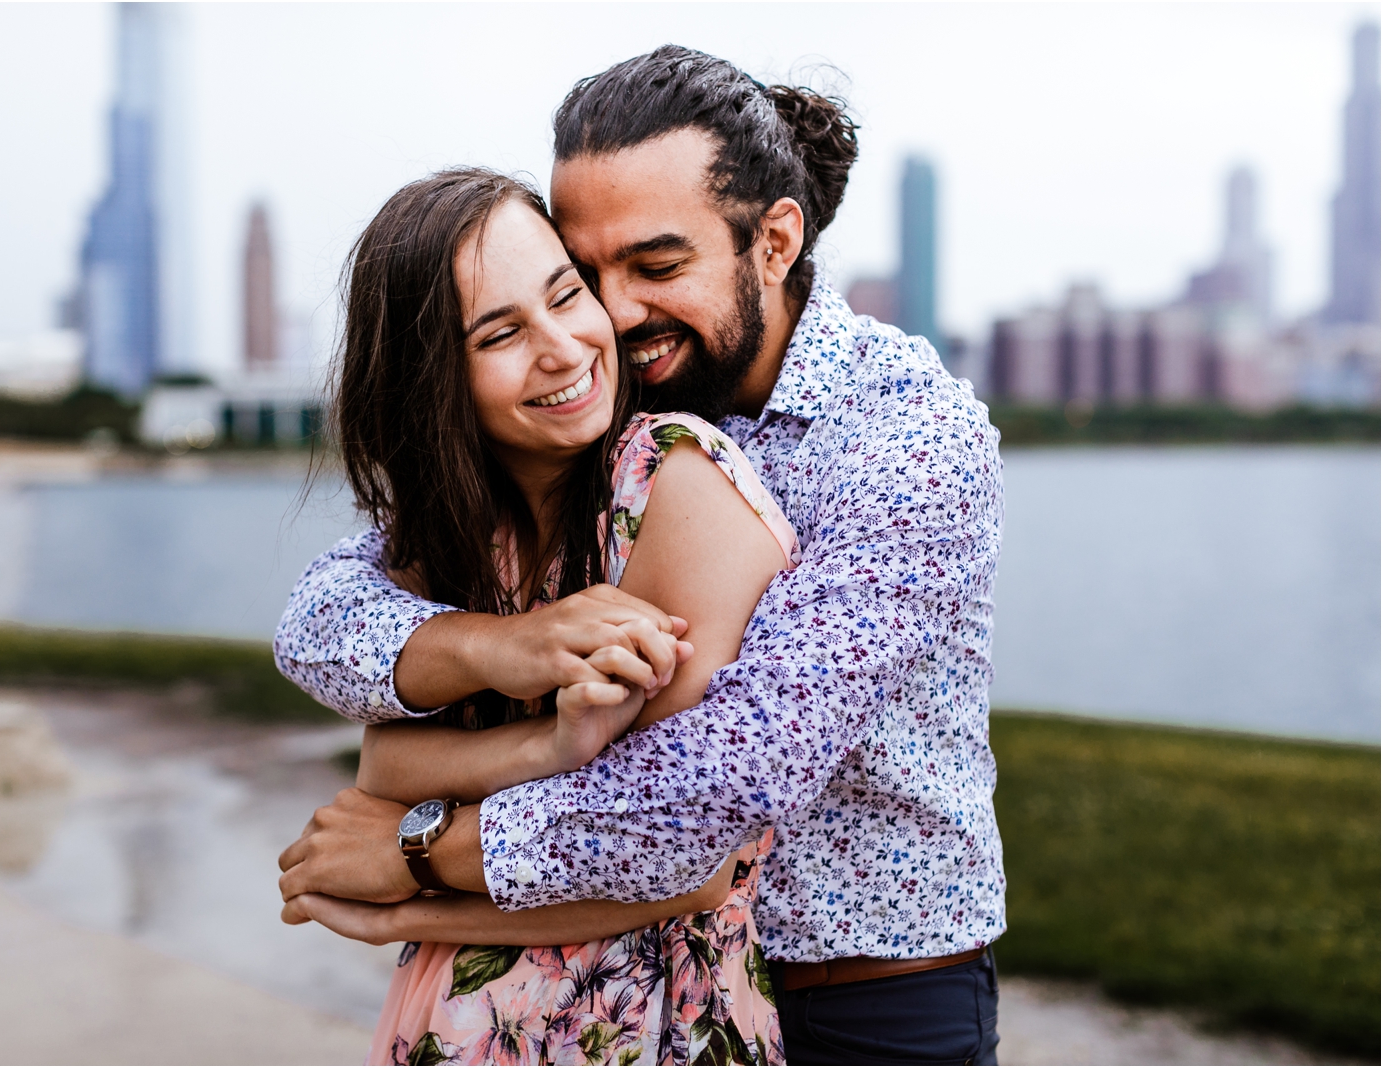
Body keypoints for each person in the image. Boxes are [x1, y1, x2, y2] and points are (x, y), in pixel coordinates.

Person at [279, 46, 1006, 1065]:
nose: (611, 316)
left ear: (775, 240)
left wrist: (419, 853)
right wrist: (507, 648)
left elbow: (726, 777)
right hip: (631, 973)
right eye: (588, 272)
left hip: (867, 994)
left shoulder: (906, 441)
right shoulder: (612, 406)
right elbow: (324, 614)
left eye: (656, 267)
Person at [287, 166, 802, 1064]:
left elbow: (687, 861)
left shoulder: (674, 483)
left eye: (566, 295)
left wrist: (410, 895)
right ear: (434, 383)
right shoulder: (456, 532)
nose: (563, 347)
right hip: (452, 1021)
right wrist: (546, 741)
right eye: (500, 334)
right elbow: (386, 758)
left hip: (646, 1026)